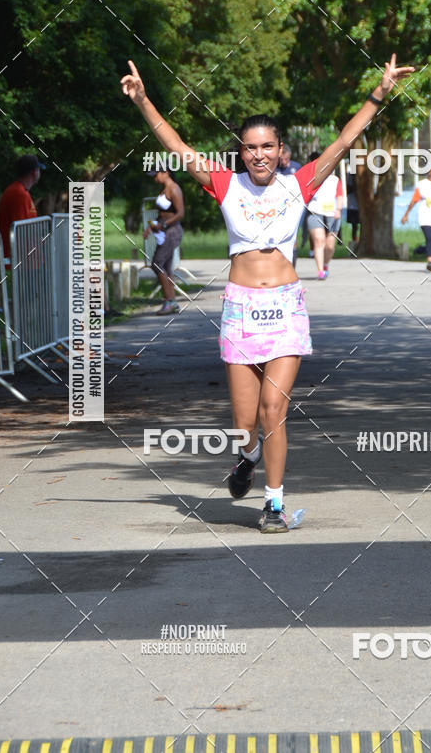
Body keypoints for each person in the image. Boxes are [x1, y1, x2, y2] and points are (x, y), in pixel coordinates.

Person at [121, 55, 414, 532]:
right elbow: (175, 143)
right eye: (251, 147)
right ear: (241, 152)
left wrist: (379, 92)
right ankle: (246, 457)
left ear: (281, 151)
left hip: (284, 309)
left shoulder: (299, 184)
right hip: (239, 309)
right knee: (244, 421)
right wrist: (143, 100)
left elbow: (344, 141)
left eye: (268, 147)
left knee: (273, 408)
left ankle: (274, 504)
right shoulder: (224, 184)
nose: (259, 154)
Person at [143, 167, 185, 314]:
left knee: (156, 264)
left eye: (156, 175)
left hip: (172, 232)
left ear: (165, 172)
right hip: (164, 231)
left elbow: (180, 213)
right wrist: (152, 226)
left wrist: (164, 224)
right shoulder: (164, 189)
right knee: (166, 268)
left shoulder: (174, 189)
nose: (155, 178)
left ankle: (170, 301)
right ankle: (171, 301)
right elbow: (163, 213)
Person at [401, 161, 431, 270]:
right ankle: (430, 261)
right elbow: (414, 200)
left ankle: (424, 253)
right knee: (430, 238)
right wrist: (406, 214)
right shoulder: (422, 184)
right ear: (428, 171)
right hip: (425, 217)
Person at [0, 155, 45, 260]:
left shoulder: (19, 191)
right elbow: (23, 230)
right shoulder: (19, 194)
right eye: (38, 170)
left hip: (22, 261)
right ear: (34, 172)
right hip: (20, 263)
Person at [306, 152, 343, 280]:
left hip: (332, 213)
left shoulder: (334, 179)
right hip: (315, 212)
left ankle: (326, 264)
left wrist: (338, 209)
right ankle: (320, 270)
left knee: (330, 245)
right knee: (319, 241)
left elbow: (339, 196)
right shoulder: (309, 179)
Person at [345, 170, 360, 250]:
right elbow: (347, 189)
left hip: (360, 206)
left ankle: (359, 240)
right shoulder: (349, 175)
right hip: (352, 205)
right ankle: (354, 241)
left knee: (362, 225)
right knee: (354, 225)